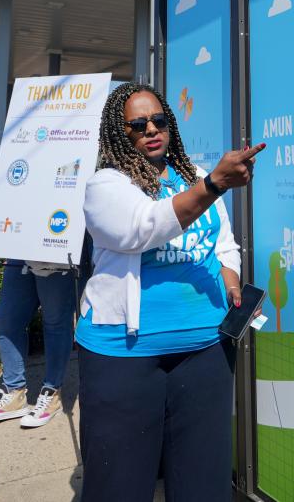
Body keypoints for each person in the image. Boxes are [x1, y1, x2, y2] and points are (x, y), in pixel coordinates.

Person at [76, 82, 263, 501]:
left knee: (205, 481)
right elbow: (143, 227)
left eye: (159, 120)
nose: (151, 130)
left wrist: (230, 275)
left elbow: (224, 242)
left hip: (206, 348)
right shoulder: (106, 185)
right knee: (119, 484)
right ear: (118, 133)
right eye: (137, 125)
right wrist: (214, 184)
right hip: (124, 354)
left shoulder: (192, 175)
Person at [0, 258, 75, 427]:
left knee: (55, 322)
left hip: (56, 250)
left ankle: (52, 392)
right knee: (7, 319)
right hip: (21, 249)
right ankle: (14, 393)